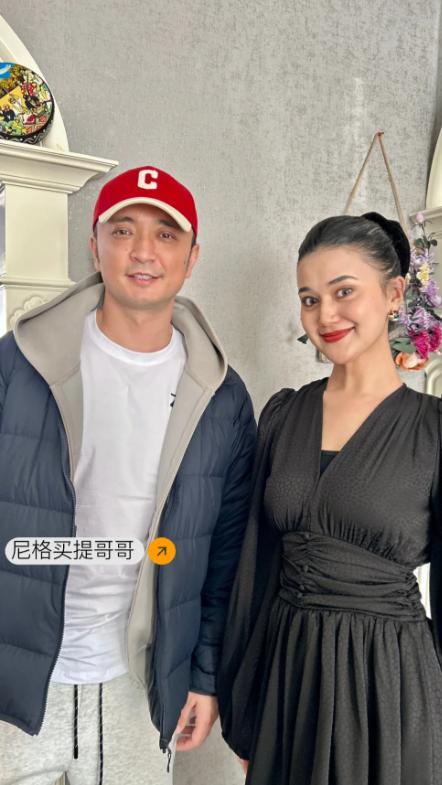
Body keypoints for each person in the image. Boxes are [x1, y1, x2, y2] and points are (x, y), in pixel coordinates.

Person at [0, 166, 256, 785]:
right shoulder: (17, 364)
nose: (143, 251)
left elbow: (224, 554)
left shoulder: (221, 396)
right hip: (15, 676)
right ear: (95, 247)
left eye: (166, 234)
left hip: (141, 681)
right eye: (123, 230)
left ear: (192, 258)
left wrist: (203, 677)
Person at [218, 212, 442, 785]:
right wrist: (247, 706)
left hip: (391, 690)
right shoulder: (283, 416)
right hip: (289, 685)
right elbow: (255, 568)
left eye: (344, 292)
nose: (325, 315)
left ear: (393, 295)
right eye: (309, 299)